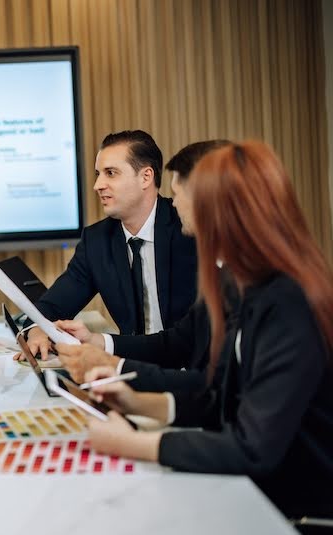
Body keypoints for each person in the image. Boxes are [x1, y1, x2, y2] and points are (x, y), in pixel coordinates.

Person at [76, 141, 333, 518]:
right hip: (255, 491)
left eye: (179, 195)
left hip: (291, 509)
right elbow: (221, 397)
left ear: (215, 210)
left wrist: (133, 444)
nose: (173, 204)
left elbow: (252, 448)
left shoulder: (289, 303)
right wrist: (138, 401)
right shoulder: (240, 282)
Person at [54, 140, 233, 392]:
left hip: (192, 387)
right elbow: (179, 341)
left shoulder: (240, 277)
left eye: (179, 193)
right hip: (175, 384)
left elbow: (214, 384)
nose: (174, 203)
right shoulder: (97, 239)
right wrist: (99, 344)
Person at [21, 130, 197, 363]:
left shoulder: (189, 229)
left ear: (145, 177)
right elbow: (50, 306)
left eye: (111, 173)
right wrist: (37, 331)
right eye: (98, 174)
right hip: (132, 369)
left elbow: (194, 338)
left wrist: (99, 342)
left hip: (192, 372)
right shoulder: (98, 240)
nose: (97, 185)